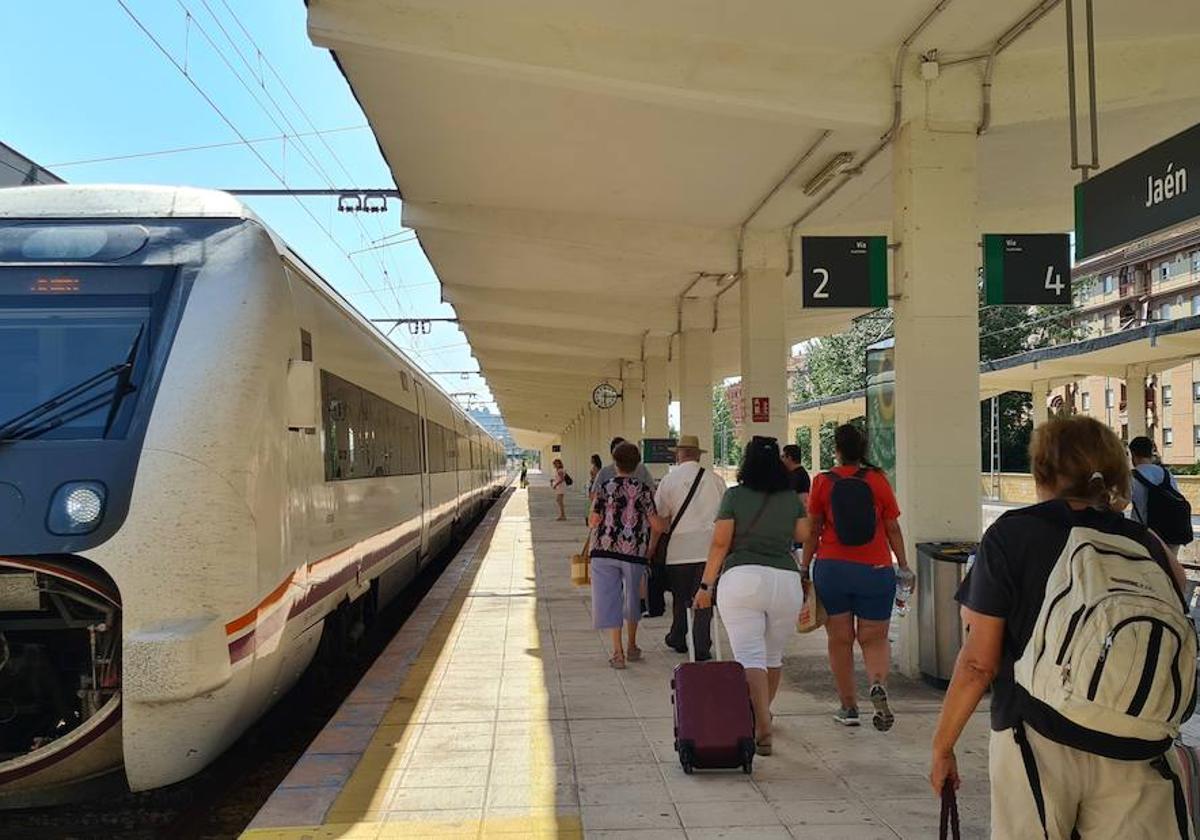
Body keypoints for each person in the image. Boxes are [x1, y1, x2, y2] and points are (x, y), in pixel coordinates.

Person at [930, 416, 1193, 840]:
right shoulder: (1144, 542)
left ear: (1042, 470)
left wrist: (943, 747)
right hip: (1136, 739)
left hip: (1035, 737)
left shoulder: (1011, 536)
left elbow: (979, 663)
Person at [694, 436, 807, 756]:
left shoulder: (734, 496)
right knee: (772, 657)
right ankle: (764, 714)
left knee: (750, 657)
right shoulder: (789, 498)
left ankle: (761, 725)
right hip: (785, 581)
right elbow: (803, 535)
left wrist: (705, 587)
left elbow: (719, 544)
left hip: (742, 579)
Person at [802, 423, 908, 731]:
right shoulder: (877, 480)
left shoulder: (822, 482)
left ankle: (848, 707)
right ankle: (877, 683)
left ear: (836, 449)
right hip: (875, 570)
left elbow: (813, 531)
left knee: (840, 639)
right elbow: (892, 528)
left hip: (833, 569)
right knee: (873, 638)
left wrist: (804, 567)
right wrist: (903, 565)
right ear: (863, 450)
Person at [652, 434, 727, 660]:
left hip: (679, 550)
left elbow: (661, 519)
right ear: (698, 455)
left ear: (679, 454)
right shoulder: (716, 480)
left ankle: (678, 636)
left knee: (680, 597)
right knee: (705, 598)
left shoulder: (668, 481)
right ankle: (701, 644)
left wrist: (651, 547)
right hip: (709, 549)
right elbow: (725, 516)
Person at [589, 442, 658, 669]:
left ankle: (617, 653)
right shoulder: (644, 490)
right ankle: (632, 645)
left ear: (614, 462)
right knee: (632, 599)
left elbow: (593, 520)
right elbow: (656, 523)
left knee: (610, 600)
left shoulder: (605, 486)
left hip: (603, 549)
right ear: (637, 463)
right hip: (633, 552)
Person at [1129, 435, 1188, 553]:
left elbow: (1119, 504)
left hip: (1145, 535)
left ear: (1133, 455)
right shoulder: (1166, 474)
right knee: (1169, 569)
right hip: (1171, 535)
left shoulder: (1130, 478)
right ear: (1151, 452)